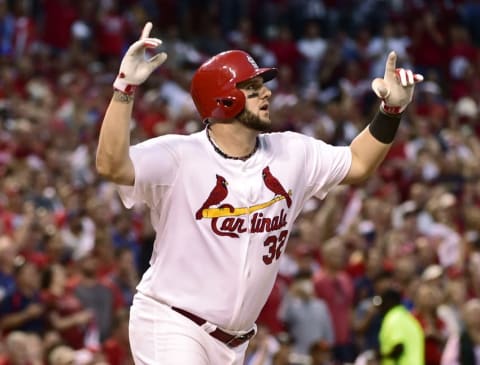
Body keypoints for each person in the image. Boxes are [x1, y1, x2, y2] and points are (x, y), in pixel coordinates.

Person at [95, 22, 423, 365]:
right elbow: (111, 166)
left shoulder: (292, 152)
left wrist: (391, 112)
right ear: (224, 99)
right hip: (172, 321)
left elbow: (358, 163)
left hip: (235, 343)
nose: (266, 93)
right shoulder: (179, 156)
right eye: (252, 88)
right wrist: (124, 89)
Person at [376, 288, 425, 365]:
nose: (380, 308)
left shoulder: (393, 318)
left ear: (390, 302)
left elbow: (399, 347)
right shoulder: (408, 318)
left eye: (383, 304)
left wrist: (380, 355)